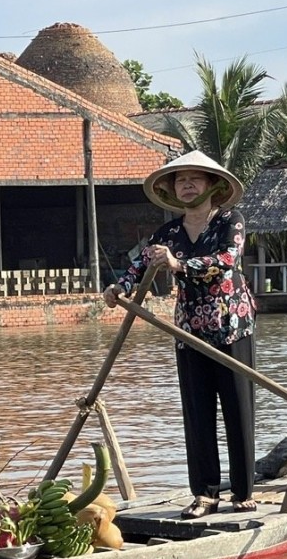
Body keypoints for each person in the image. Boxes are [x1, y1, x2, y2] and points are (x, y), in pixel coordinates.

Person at [102, 150, 257, 518]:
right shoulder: (168, 232)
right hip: (189, 330)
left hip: (231, 326)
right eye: (180, 180)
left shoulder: (229, 221)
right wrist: (118, 287)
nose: (187, 186)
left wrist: (179, 264)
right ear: (173, 190)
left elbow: (226, 262)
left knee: (237, 409)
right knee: (197, 412)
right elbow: (140, 264)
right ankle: (205, 494)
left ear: (212, 185)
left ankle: (242, 492)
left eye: (195, 179)